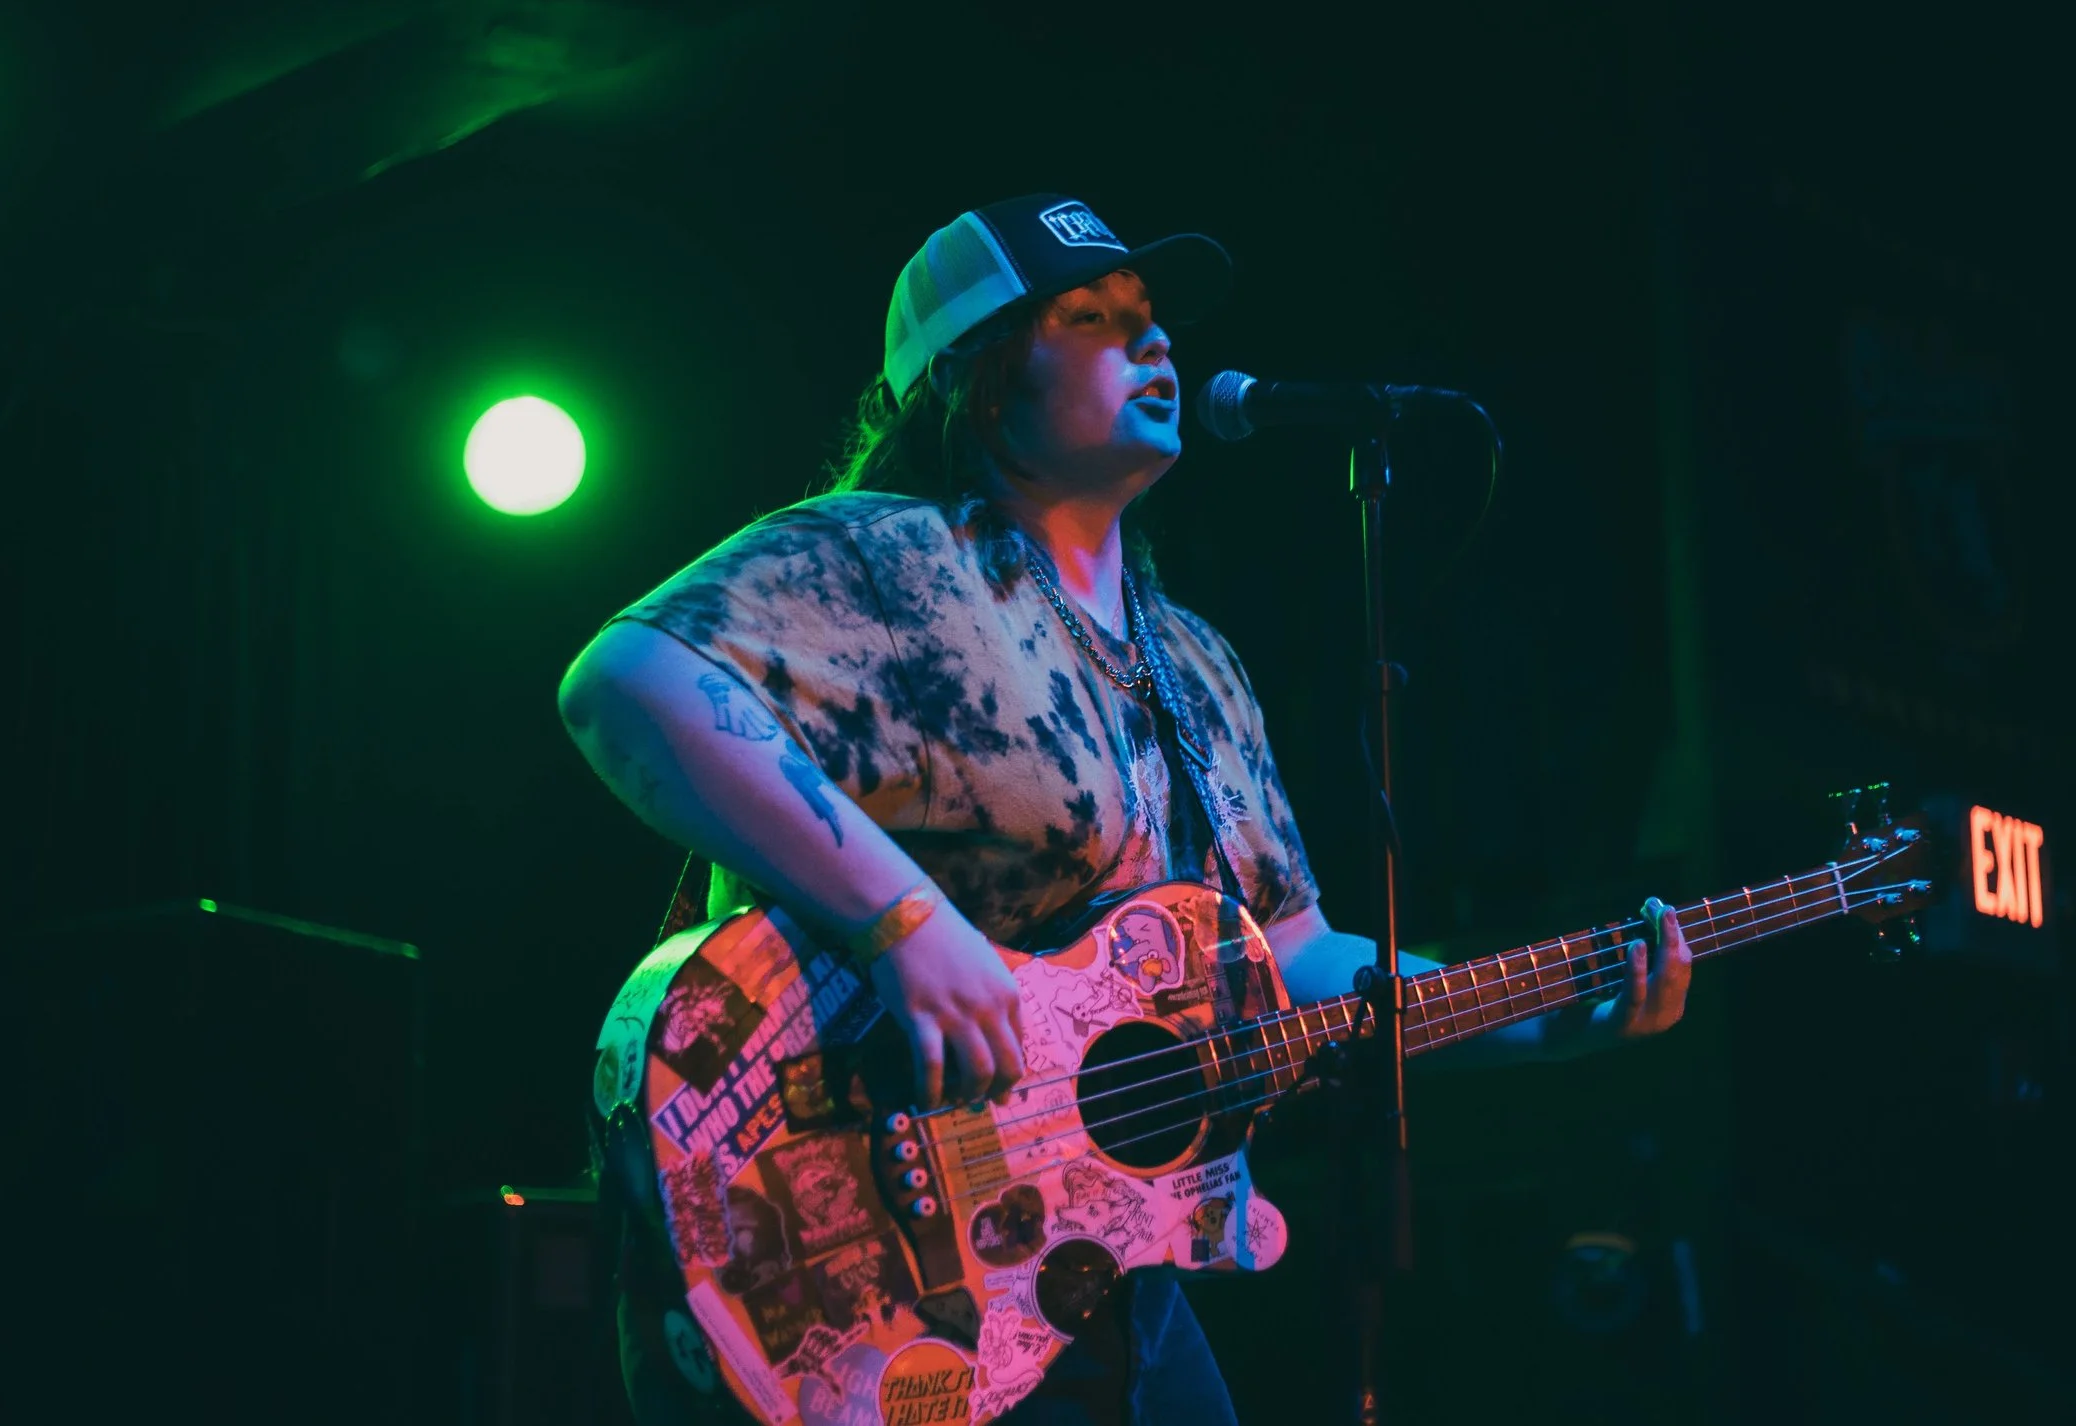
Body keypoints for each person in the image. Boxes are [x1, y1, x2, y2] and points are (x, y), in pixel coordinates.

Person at [557, 193, 1694, 1425]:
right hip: (851, 1227)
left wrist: (1538, 1020)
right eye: (1092, 317)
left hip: (1096, 1272)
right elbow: (626, 682)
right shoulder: (891, 562)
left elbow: (1292, 955)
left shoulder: (1196, 661)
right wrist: (906, 928)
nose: (1152, 344)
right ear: (975, 378)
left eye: (1151, 320)